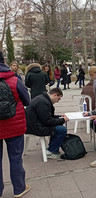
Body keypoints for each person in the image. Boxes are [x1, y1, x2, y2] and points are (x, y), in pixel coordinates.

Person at [0, 51, 31, 198]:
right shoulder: (14, 80)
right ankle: (19, 188)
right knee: (15, 157)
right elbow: (27, 100)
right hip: (14, 125)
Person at [26, 88, 69, 159]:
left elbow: (46, 116)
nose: (58, 101)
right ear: (54, 95)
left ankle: (52, 147)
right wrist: (62, 120)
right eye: (58, 99)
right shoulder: (43, 102)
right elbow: (47, 121)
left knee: (58, 126)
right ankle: (51, 151)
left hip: (33, 124)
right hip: (36, 127)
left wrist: (59, 117)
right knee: (62, 129)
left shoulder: (42, 98)